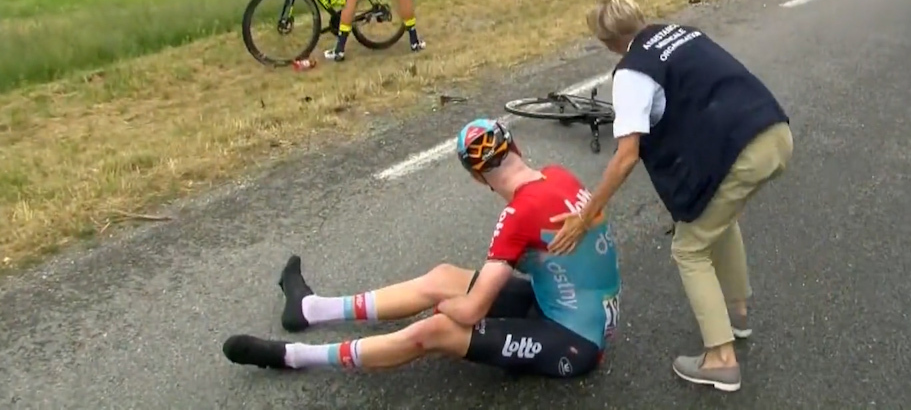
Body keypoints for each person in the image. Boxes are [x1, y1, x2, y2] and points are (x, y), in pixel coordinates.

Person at [221, 119, 622, 379]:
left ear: (477, 179)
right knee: (444, 277)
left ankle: (295, 356)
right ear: (516, 148)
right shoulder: (557, 174)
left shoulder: (517, 215)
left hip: (575, 341)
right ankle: (311, 309)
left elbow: (470, 311)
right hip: (565, 305)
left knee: (436, 328)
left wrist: (444, 306)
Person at [551, 0, 793, 393]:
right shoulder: (683, 34)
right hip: (774, 132)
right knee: (717, 218)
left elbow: (626, 156)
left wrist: (587, 213)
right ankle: (736, 311)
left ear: (607, 42)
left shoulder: (631, 72)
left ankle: (721, 359)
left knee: (689, 248)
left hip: (739, 152)